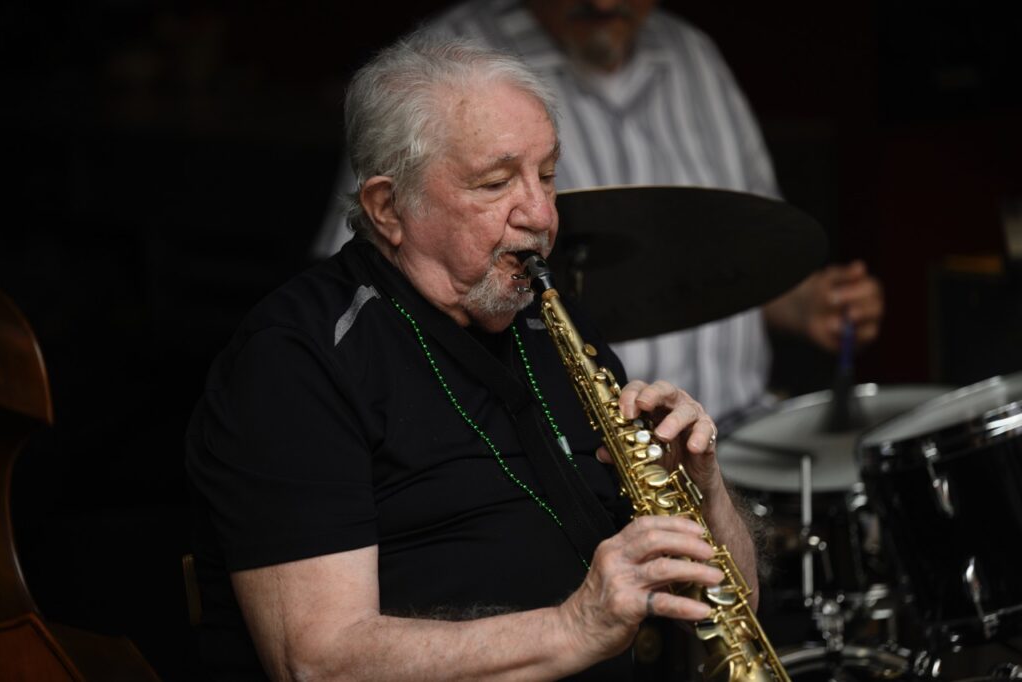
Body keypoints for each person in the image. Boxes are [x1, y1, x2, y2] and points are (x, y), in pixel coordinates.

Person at [185, 34, 760, 681]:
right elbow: (318, 663)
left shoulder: (554, 325)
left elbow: (734, 607)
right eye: (495, 183)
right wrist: (575, 627)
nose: (541, 215)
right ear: (389, 207)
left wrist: (703, 490)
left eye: (548, 175)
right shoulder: (296, 361)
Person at [313, 0, 884, 432]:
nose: (605, 4)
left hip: (742, 429)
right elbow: (366, 282)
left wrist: (799, 302)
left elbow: (745, 246)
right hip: (571, 450)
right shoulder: (445, 60)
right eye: (497, 183)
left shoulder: (695, 55)